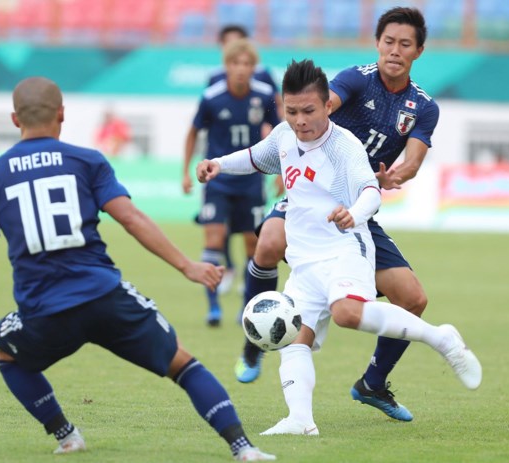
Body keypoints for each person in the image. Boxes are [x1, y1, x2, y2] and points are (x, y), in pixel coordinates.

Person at [0, 76, 275, 461]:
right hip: (104, 297)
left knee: (2, 347)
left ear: (15, 120)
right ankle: (243, 448)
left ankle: (66, 435)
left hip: (44, 311)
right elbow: (131, 218)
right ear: (62, 114)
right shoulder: (86, 161)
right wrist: (187, 267)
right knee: (182, 363)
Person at [196, 58, 481, 436]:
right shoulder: (284, 136)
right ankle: (300, 420)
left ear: (328, 106)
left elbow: (370, 191)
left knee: (347, 312)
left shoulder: (343, 146)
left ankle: (440, 336)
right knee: (294, 340)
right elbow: (254, 157)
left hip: (344, 247)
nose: (300, 120)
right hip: (304, 261)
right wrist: (217, 164)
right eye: (292, 111)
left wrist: (354, 213)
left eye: (309, 111)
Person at [234, 7, 439, 423]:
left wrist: (396, 174)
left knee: (413, 298)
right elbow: (319, 104)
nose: (394, 50)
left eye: (404, 44)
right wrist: (292, 141)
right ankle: (254, 341)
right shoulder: (355, 78)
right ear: (377, 43)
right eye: (388, 41)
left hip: (354, 214)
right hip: (311, 193)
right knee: (269, 242)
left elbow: (414, 160)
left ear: (418, 50)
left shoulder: (423, 106)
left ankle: (373, 383)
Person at [182, 38, 280, 327]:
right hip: (218, 180)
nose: (241, 69)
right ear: (226, 67)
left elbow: (281, 132)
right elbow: (192, 132)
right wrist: (185, 172)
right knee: (213, 239)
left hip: (251, 181)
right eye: (235, 64)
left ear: (253, 68)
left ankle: (245, 307)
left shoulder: (264, 95)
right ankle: (213, 308)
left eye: (246, 64)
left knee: (254, 244)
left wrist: (283, 173)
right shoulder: (212, 97)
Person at [208, 25, 285, 296]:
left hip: (251, 167)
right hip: (222, 168)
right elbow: (208, 121)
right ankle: (227, 267)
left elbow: (275, 111)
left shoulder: (262, 80)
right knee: (218, 228)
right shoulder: (214, 82)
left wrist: (278, 162)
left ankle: (248, 281)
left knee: (249, 234)